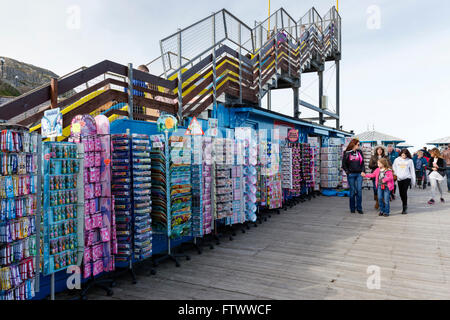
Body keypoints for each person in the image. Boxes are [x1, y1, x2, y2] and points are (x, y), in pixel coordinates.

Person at [342, 139, 365, 214]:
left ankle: (359, 208)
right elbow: (344, 165)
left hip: (359, 174)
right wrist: (348, 172)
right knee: (352, 192)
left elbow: (363, 163)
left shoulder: (360, 152)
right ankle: (352, 208)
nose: (359, 146)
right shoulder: (347, 153)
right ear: (353, 145)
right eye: (358, 145)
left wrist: (363, 171)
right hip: (351, 174)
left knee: (359, 191)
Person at [393, 149, 416, 214]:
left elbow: (412, 171)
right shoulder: (397, 160)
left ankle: (404, 207)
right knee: (401, 193)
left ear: (407, 154)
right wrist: (396, 174)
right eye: (403, 154)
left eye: (405, 154)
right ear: (401, 154)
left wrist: (413, 181)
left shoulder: (410, 161)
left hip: (407, 178)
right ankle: (404, 203)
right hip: (399, 179)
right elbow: (394, 168)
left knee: (404, 192)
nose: (404, 155)